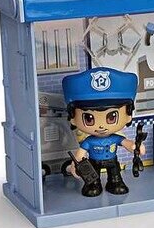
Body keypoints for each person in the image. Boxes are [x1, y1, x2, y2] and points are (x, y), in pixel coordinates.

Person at [62, 68, 145, 197]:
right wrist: (75, 164)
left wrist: (135, 146)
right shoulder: (89, 141)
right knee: (93, 180)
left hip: (112, 161)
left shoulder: (115, 138)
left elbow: (126, 143)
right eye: (89, 119)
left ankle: (115, 183)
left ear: (128, 116)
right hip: (93, 162)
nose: (101, 126)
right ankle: (93, 184)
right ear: (73, 118)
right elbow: (80, 154)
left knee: (115, 176)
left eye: (111, 117)